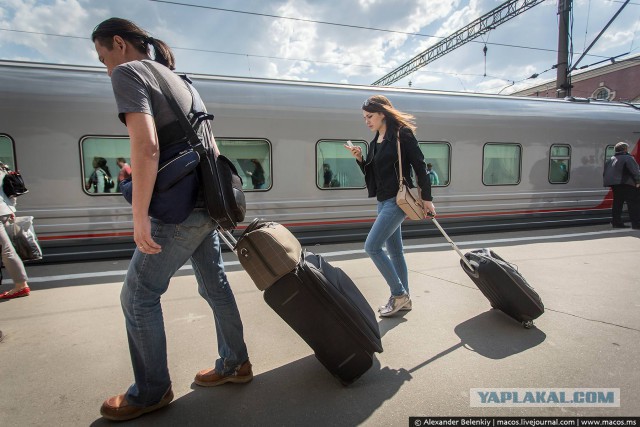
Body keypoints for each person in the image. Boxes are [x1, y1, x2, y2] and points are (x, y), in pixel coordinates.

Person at [92, 18, 251, 421]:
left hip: (177, 210)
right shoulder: (180, 79)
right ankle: (236, 363)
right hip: (207, 202)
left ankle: (151, 391)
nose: (105, 66)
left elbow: (146, 147)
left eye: (102, 57)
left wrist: (139, 214)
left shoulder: (129, 72)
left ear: (118, 44)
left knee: (138, 296)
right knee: (214, 285)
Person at [345, 95, 436, 317]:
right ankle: (404, 299)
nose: (366, 121)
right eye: (364, 117)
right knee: (395, 252)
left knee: (372, 247)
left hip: (398, 201)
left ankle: (398, 294)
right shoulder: (376, 139)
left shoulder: (401, 134)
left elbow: (420, 166)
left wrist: (427, 198)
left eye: (370, 116)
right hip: (383, 201)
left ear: (382, 114)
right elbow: (374, 175)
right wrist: (360, 159)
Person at [0, 163, 30, 300]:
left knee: (6, 250)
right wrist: (11, 209)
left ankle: (21, 285)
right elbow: (12, 189)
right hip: (5, 211)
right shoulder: (2, 167)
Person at [603, 141, 640, 229]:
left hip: (615, 185)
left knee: (617, 204)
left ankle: (616, 222)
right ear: (625, 149)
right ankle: (636, 224)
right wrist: (638, 181)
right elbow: (635, 171)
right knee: (633, 204)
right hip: (627, 184)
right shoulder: (628, 158)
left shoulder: (611, 159)